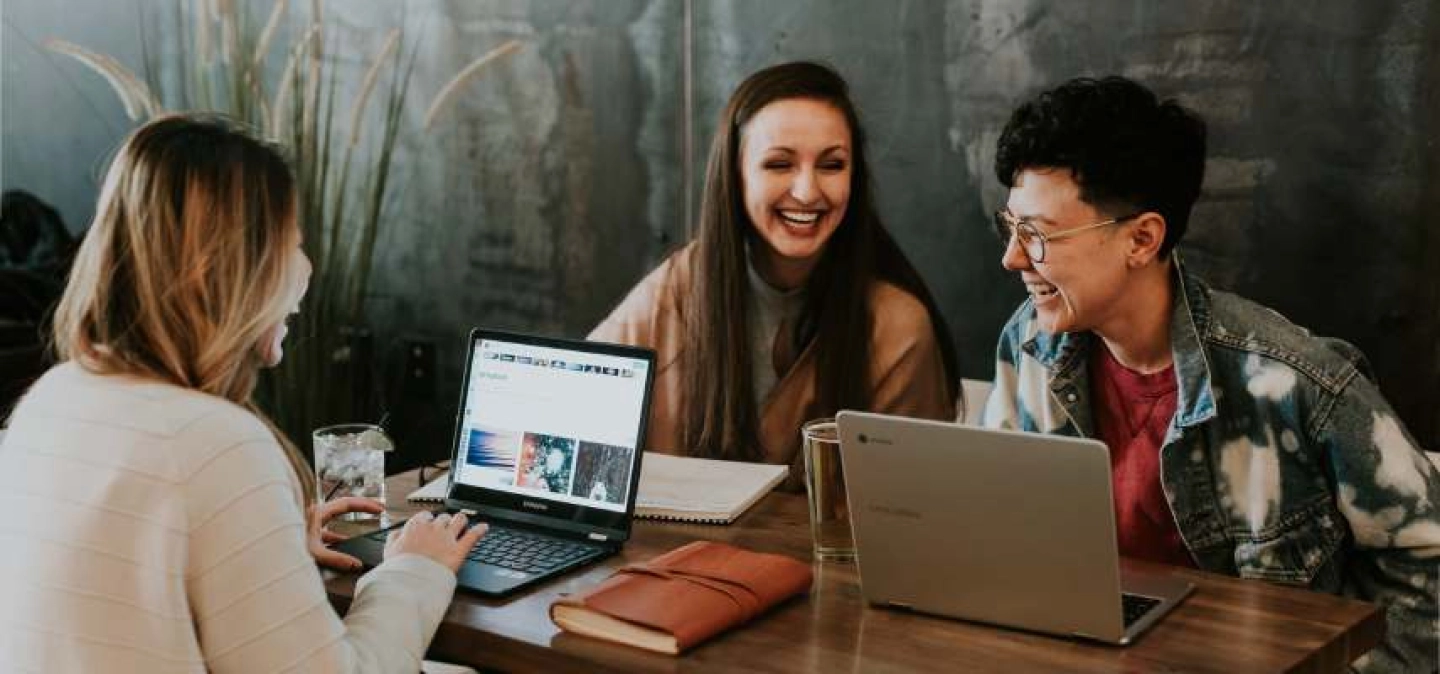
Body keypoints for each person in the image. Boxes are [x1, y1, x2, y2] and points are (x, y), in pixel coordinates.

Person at [980, 76, 1439, 673]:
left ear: (1143, 238)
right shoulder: (1030, 343)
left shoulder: (1295, 382)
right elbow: (999, 534)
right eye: (1010, 227)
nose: (1012, 258)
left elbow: (1428, 564)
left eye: (1038, 234)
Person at [0, 114, 486, 672]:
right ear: (230, 266)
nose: (305, 268)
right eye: (293, 243)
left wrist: (263, 551)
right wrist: (413, 570)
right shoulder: (215, 443)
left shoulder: (50, 401)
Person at [591, 61, 959, 487]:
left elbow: (912, 510)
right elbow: (571, 411)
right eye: (779, 165)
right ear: (735, 175)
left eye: (832, 165)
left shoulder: (898, 327)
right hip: (672, 552)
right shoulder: (676, 288)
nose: (807, 191)